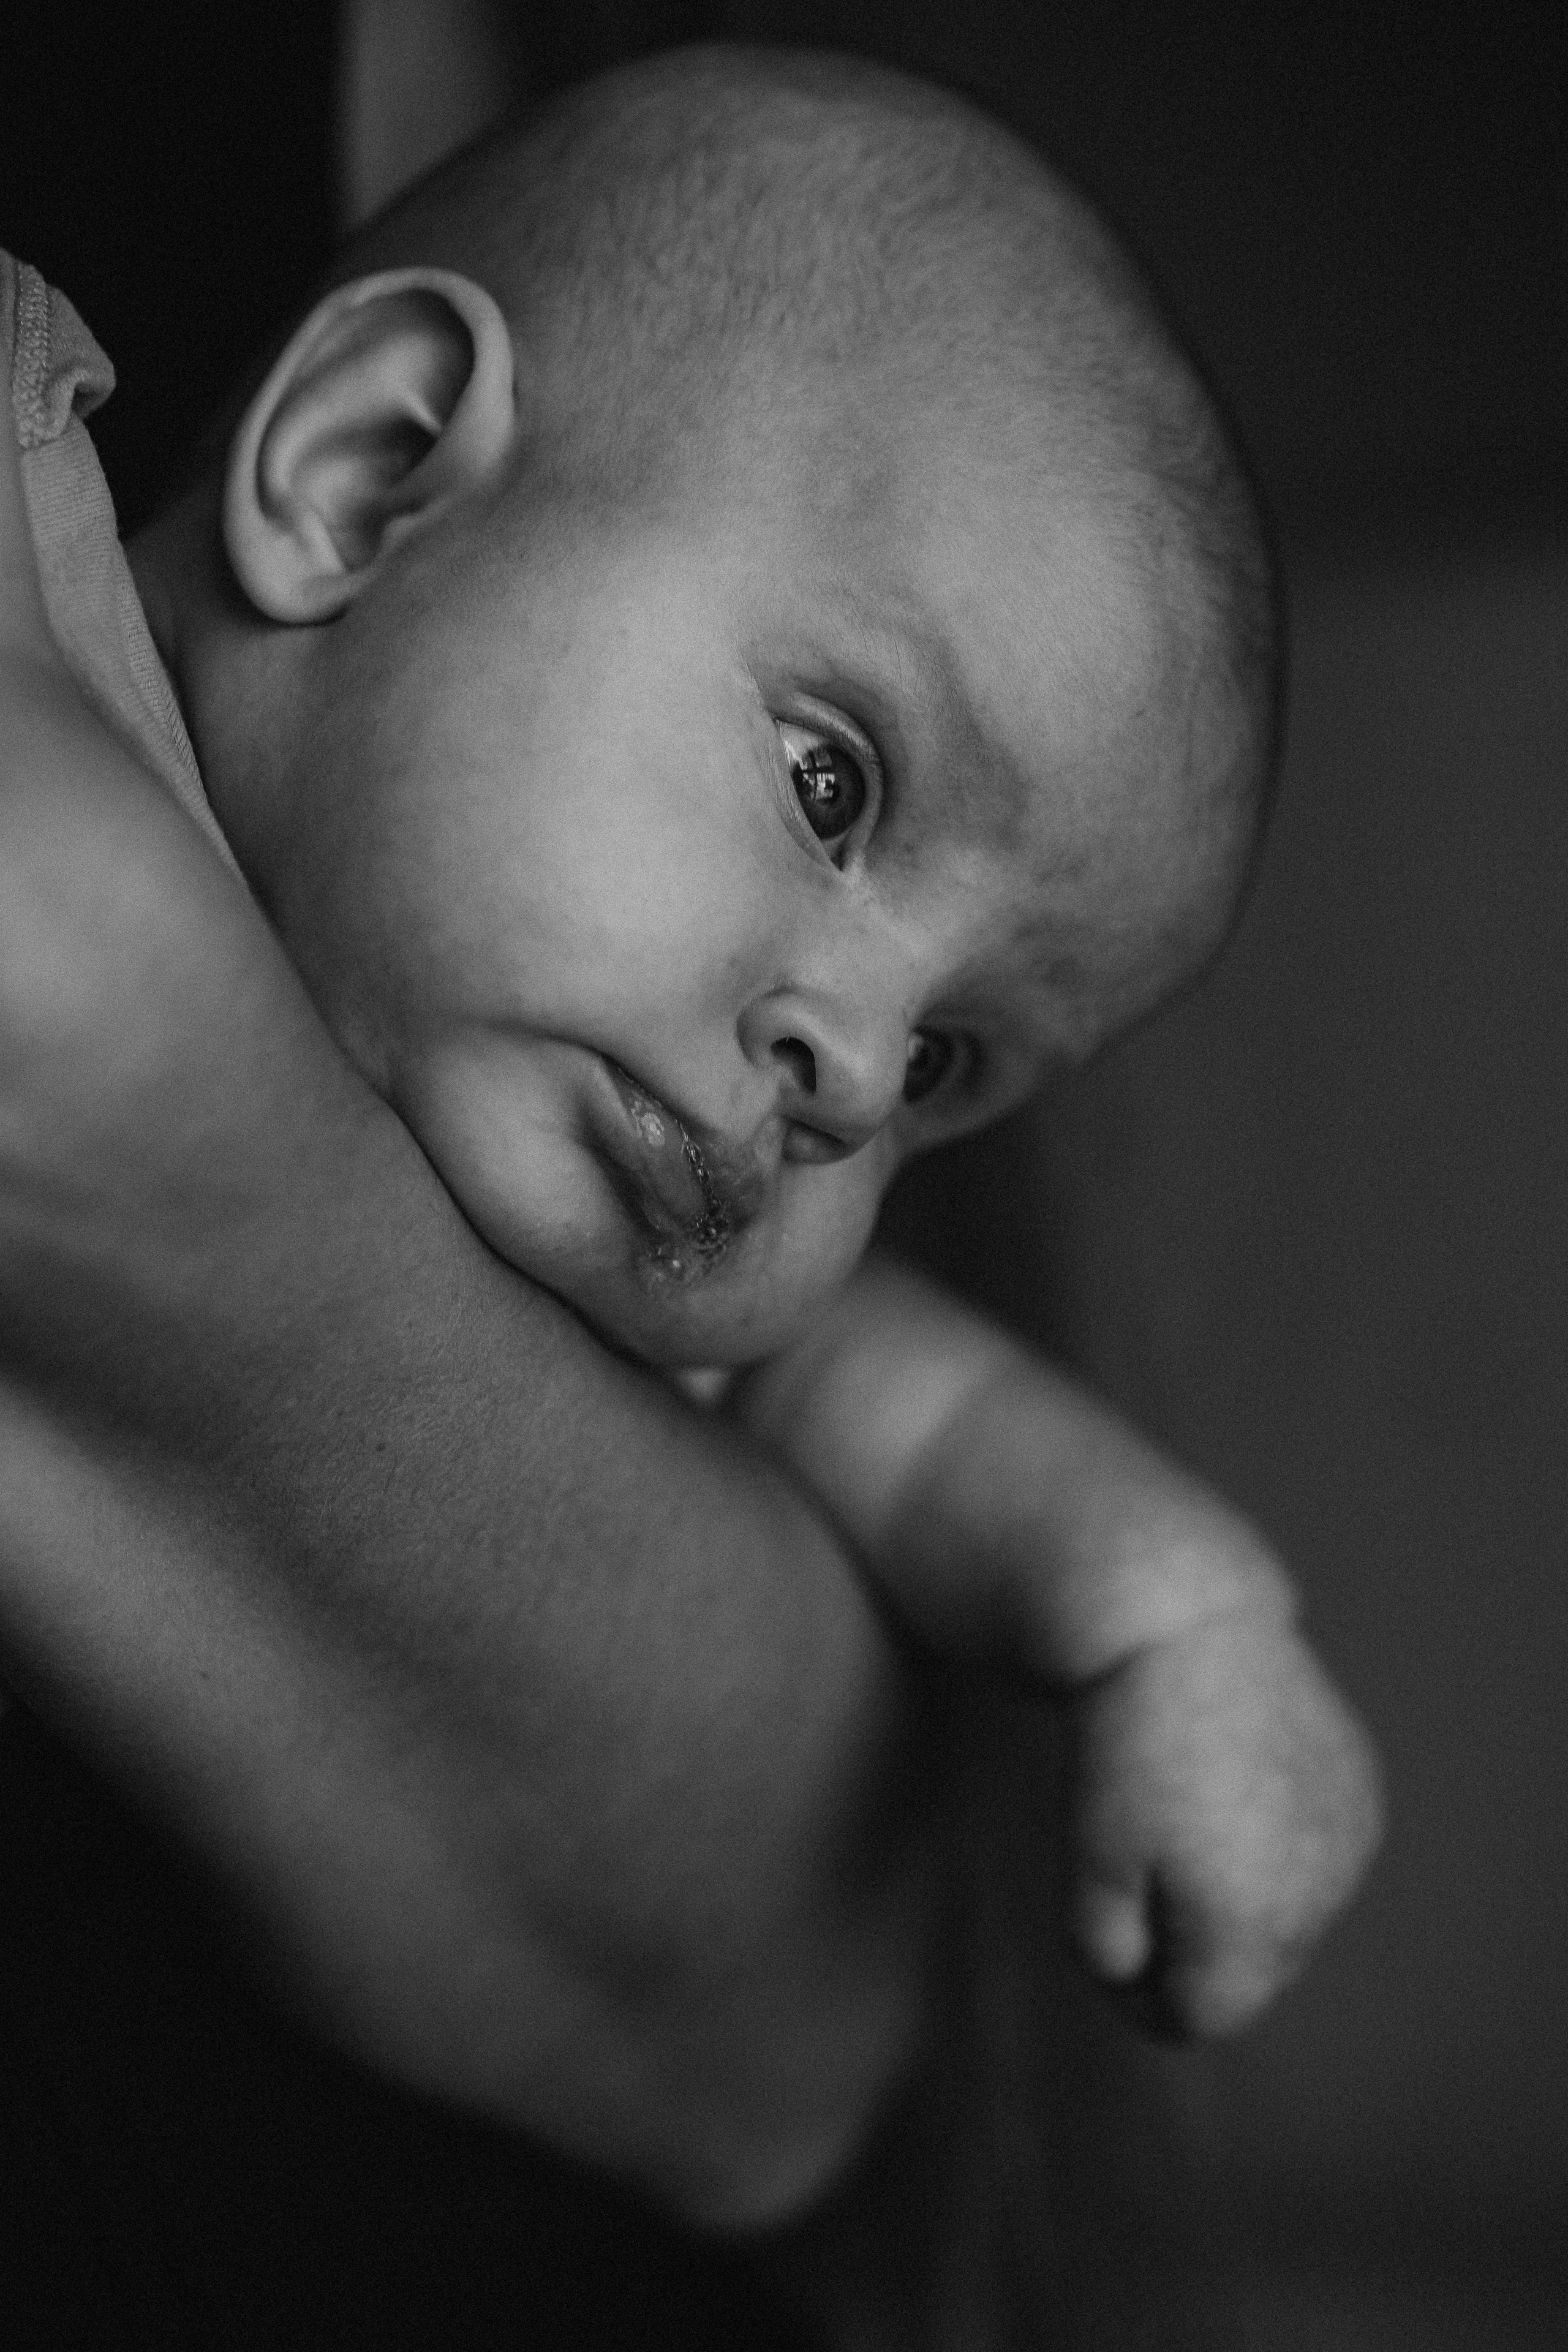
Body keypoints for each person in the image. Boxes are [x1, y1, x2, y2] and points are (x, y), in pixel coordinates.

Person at [0, 39, 1380, 2313]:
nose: (846, 1073)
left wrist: (1189, 1627)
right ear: (365, 479)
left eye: (954, 1060)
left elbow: (928, 1430)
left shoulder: (583, 1235)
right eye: (835, 787)